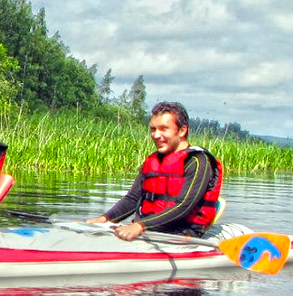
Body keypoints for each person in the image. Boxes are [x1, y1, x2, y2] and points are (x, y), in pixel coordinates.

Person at [88, 101, 223, 241]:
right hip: (149, 230)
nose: (156, 135)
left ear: (182, 131)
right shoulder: (152, 162)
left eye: (163, 129)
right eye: (153, 129)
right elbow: (132, 199)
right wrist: (104, 219)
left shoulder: (198, 161)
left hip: (181, 234)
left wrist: (140, 226)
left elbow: (184, 206)